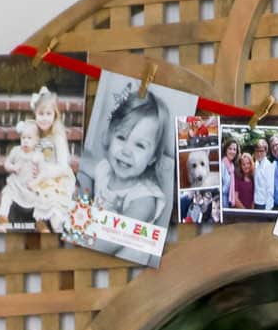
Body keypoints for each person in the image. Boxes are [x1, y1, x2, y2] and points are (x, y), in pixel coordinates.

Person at [86, 89, 171, 228]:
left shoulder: (143, 199)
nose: (126, 151)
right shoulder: (104, 169)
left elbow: (114, 237)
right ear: (110, 135)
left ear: (153, 158)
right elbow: (81, 161)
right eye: (121, 137)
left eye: (140, 145)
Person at [26, 85, 77, 232]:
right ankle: (42, 225)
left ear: (55, 115)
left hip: (58, 176)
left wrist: (45, 173)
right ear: (35, 114)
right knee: (35, 195)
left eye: (48, 114)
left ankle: (59, 229)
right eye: (41, 114)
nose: (44, 118)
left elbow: (62, 165)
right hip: (42, 177)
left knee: (55, 205)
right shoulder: (35, 134)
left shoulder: (57, 135)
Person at [0, 118, 46, 226]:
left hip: (30, 189)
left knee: (41, 200)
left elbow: (43, 172)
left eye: (29, 138)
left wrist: (36, 179)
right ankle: (2, 218)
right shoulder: (16, 150)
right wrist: (12, 167)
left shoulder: (38, 155)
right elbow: (6, 163)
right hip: (15, 186)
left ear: (37, 140)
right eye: (23, 138)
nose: (26, 141)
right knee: (6, 194)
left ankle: (40, 223)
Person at [253, 138, 275, 210]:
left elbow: (270, 189)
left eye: (261, 151)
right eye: (257, 151)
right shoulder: (255, 163)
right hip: (255, 203)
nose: (259, 154)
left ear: (266, 152)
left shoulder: (268, 166)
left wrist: (267, 209)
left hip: (264, 205)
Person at [220, 136, 239, 209]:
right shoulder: (223, 164)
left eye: (234, 149)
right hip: (223, 199)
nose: (232, 151)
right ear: (226, 150)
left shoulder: (232, 165)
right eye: (230, 149)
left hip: (228, 199)